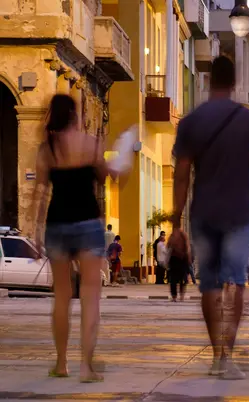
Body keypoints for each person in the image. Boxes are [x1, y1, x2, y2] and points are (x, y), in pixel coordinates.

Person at [169, 56, 249, 380]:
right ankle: (227, 356)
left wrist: (175, 222)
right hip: (239, 214)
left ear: (208, 81)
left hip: (203, 212)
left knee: (210, 285)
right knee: (237, 284)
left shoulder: (191, 121)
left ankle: (216, 354)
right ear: (234, 82)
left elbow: (181, 175)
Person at [31, 94, 121, 383]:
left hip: (57, 225)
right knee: (90, 297)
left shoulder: (47, 150)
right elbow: (108, 176)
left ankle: (61, 363)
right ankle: (86, 366)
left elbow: (40, 195)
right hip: (87, 225)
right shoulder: (91, 144)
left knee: (61, 298)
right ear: (74, 115)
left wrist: (34, 229)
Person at [167, 231, 191, 302]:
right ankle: (181, 296)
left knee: (175, 279)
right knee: (181, 279)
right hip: (180, 259)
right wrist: (188, 259)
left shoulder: (174, 235)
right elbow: (187, 248)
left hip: (176, 259)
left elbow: (168, 246)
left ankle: (175, 297)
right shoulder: (183, 234)